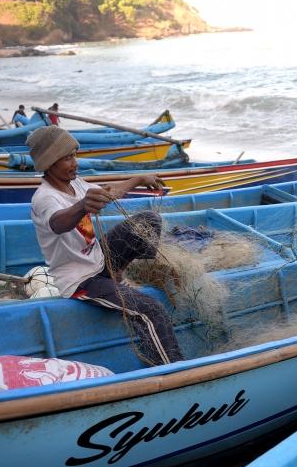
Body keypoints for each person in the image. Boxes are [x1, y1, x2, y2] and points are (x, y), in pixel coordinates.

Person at [28, 125, 183, 366]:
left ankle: (118, 275)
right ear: (50, 162)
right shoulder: (45, 198)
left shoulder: (75, 183)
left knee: (149, 220)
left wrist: (139, 179)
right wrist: (82, 206)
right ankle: (177, 371)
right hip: (82, 281)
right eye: (68, 158)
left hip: (101, 261)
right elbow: (58, 223)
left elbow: (108, 193)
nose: (75, 163)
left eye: (74, 155)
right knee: (151, 309)